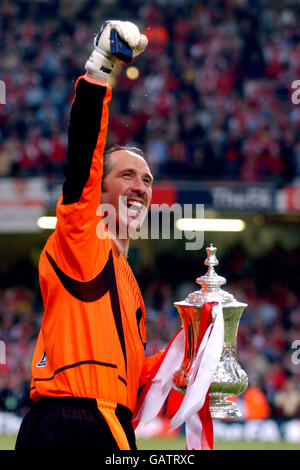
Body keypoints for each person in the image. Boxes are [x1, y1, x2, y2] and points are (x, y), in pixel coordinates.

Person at [15, 20, 162, 451]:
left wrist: (188, 359)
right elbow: (83, 154)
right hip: (75, 420)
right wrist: (100, 69)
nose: (140, 186)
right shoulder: (82, 234)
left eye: (148, 180)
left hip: (108, 420)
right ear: (97, 191)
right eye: (128, 176)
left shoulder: (127, 280)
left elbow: (131, 380)